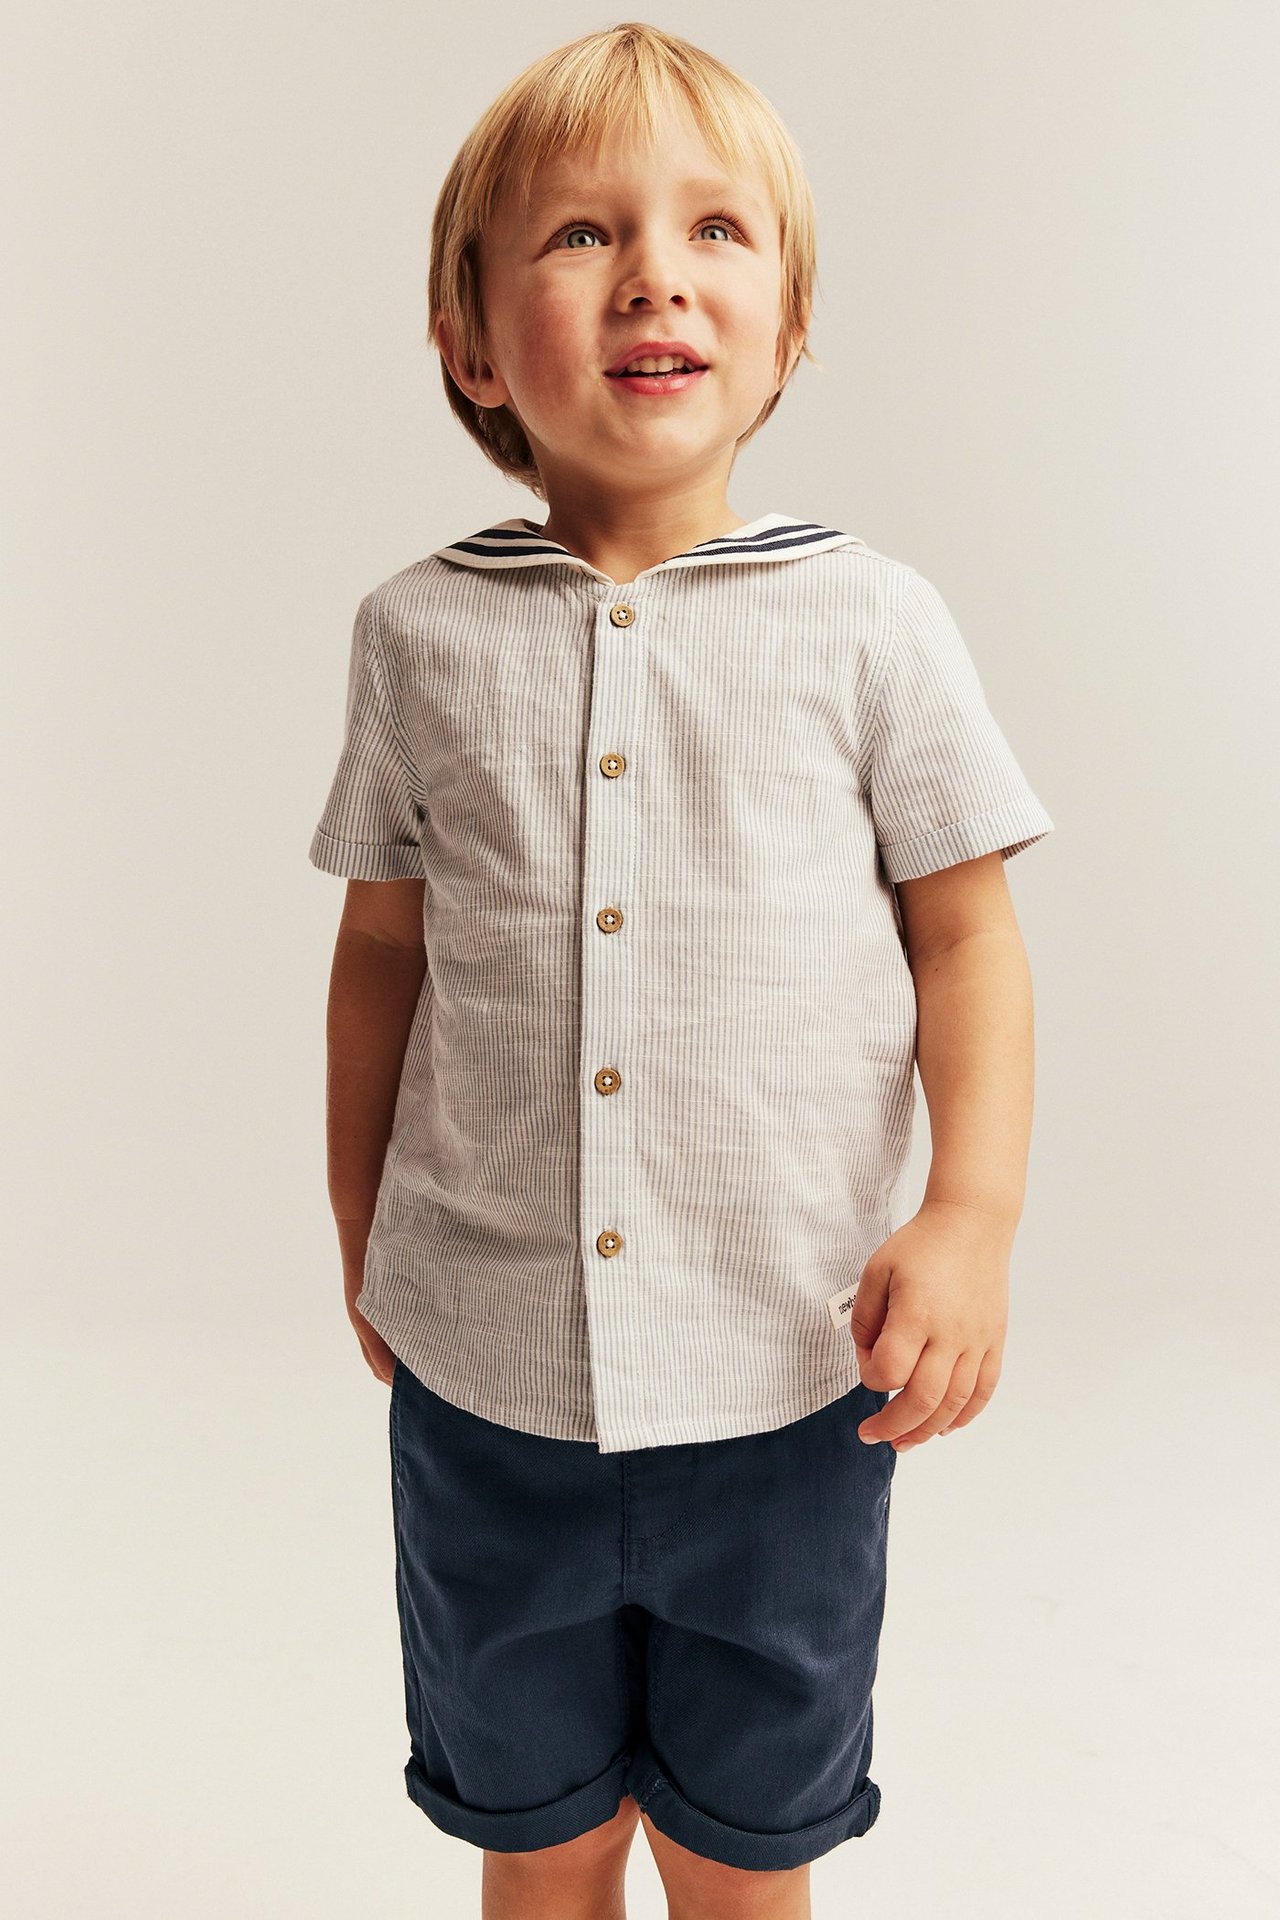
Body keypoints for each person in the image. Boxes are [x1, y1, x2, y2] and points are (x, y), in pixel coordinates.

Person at [307, 23, 1055, 1920]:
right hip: (491, 1396)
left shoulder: (873, 624)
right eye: (578, 234)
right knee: (535, 1837)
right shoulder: (416, 636)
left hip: (793, 1385)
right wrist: (360, 1222)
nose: (654, 270)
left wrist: (968, 1213)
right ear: (474, 345)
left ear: (788, 329)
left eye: (717, 230)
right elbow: (381, 951)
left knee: (746, 1851)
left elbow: (966, 935)